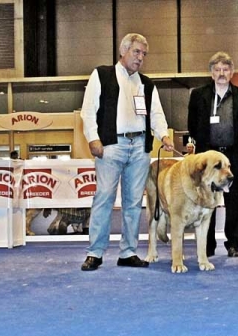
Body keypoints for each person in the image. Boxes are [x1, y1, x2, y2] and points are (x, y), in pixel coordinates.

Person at [79, 33, 174, 271]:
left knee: (133, 203)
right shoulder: (101, 75)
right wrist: (93, 138)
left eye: (144, 54)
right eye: (136, 52)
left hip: (140, 148)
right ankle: (95, 252)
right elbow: (88, 110)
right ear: (123, 51)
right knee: (104, 198)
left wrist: (164, 135)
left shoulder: (147, 83)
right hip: (110, 146)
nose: (140, 58)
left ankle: (128, 252)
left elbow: (157, 114)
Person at [187, 51, 238, 258]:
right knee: (208, 199)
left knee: (233, 200)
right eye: (217, 70)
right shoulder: (198, 95)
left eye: (225, 69)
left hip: (234, 155)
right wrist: (204, 149)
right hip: (207, 158)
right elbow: (192, 124)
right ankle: (207, 245)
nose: (221, 73)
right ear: (211, 73)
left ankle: (233, 243)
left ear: (232, 72)